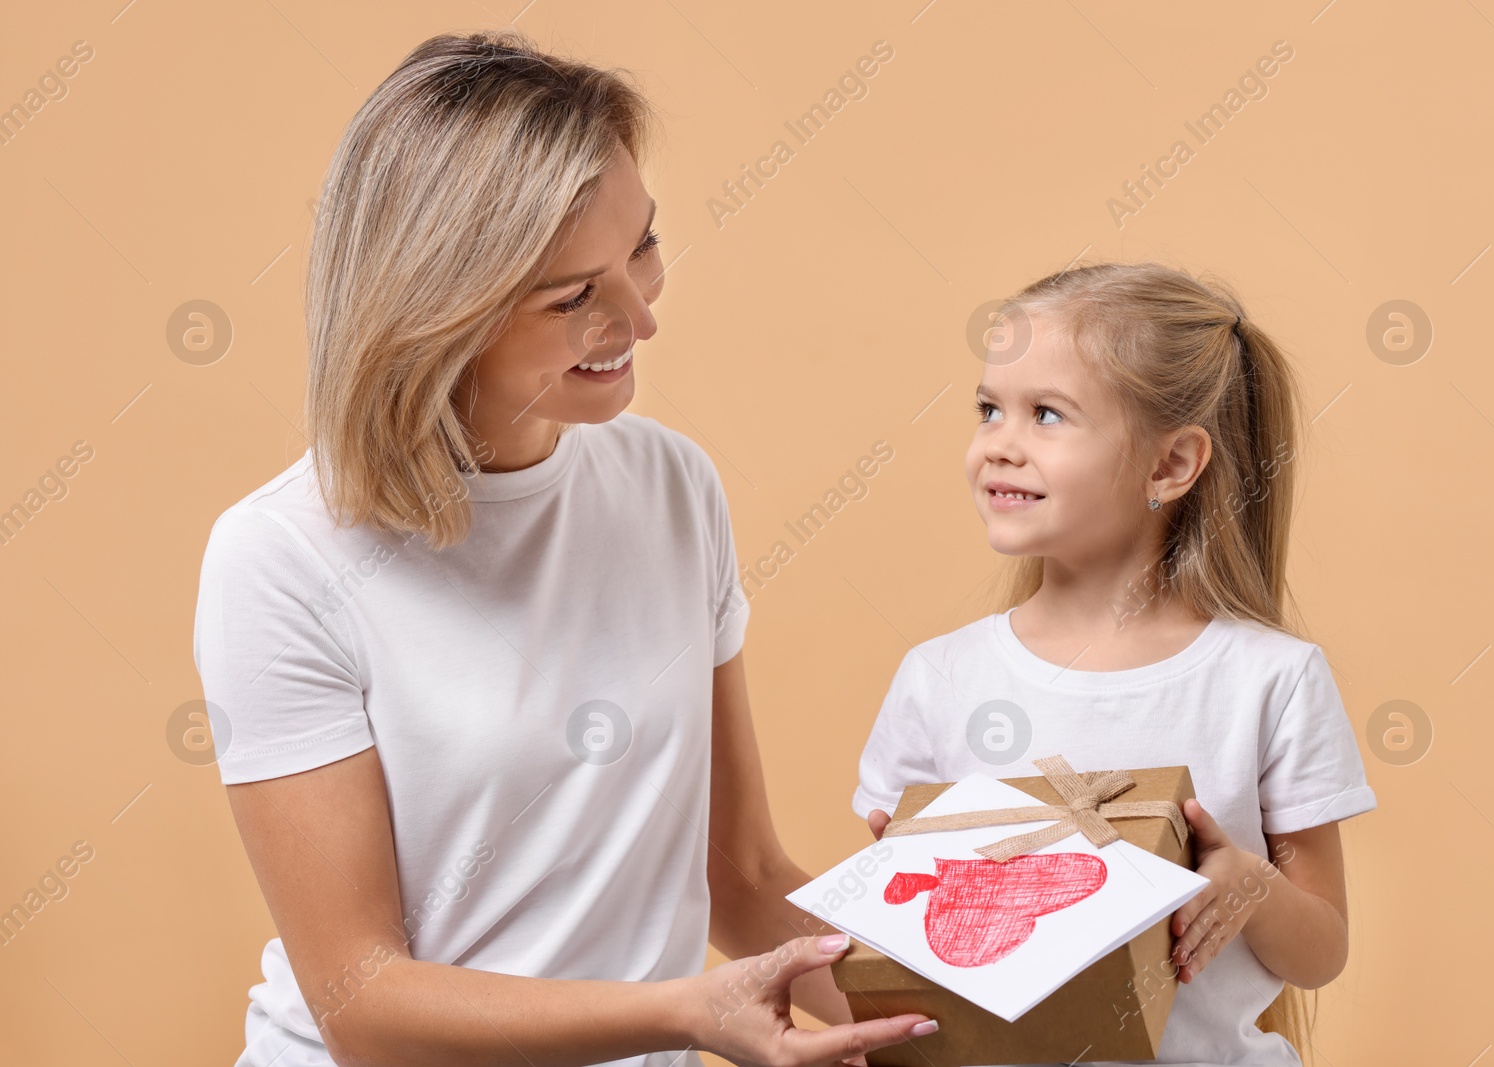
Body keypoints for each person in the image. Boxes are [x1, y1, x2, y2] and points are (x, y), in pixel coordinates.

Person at [191, 29, 933, 1067]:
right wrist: (683, 1013)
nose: (638, 315)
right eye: (572, 294)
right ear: (436, 312)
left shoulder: (672, 486)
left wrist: (965, 1020)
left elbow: (742, 870)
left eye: (640, 247)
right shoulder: (281, 558)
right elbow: (361, 1005)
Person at [852, 262, 1377, 1065]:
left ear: (1169, 466)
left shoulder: (1269, 681)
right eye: (990, 408)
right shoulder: (940, 679)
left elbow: (1322, 950)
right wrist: (898, 887)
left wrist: (1250, 885)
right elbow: (897, 963)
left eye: (1047, 415)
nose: (1000, 444)